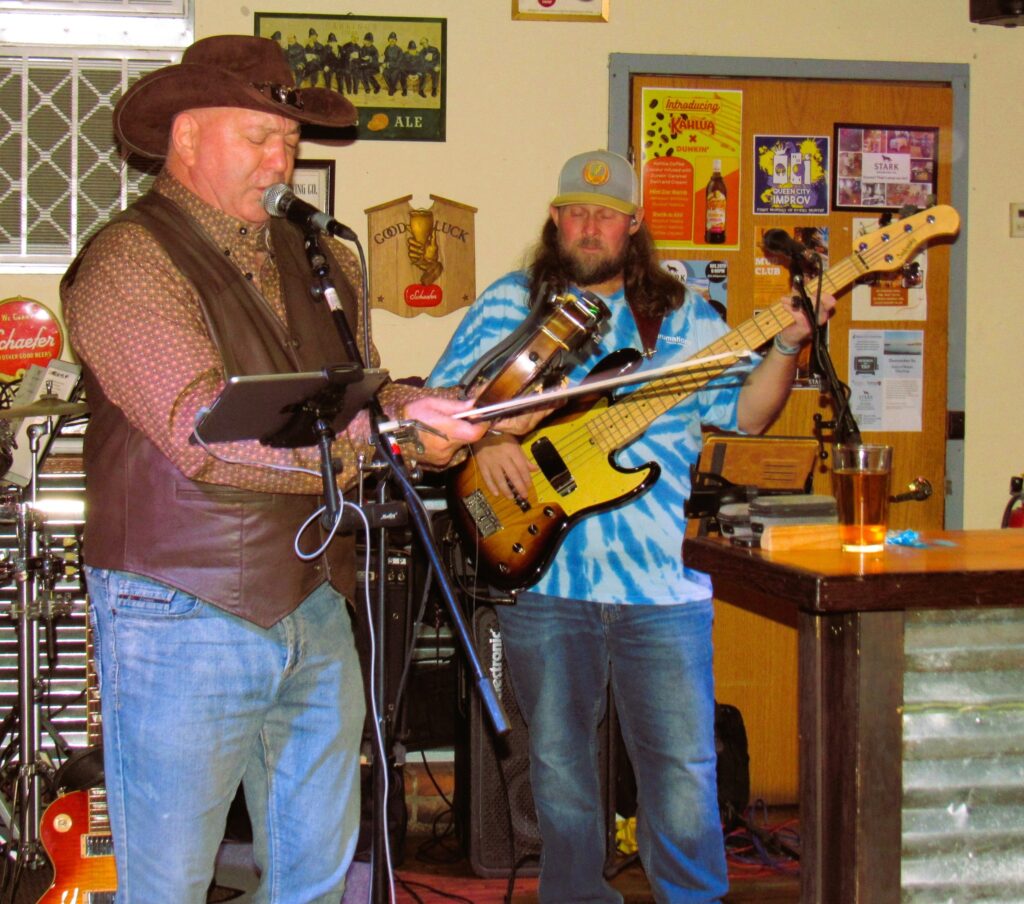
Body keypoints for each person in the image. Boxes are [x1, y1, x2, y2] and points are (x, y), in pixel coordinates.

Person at [59, 34, 514, 902]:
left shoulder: (323, 257)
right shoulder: (127, 259)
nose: (282, 160)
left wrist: (431, 405)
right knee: (167, 885)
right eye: (259, 136)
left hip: (315, 596)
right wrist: (387, 440)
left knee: (315, 878)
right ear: (187, 135)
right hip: (179, 606)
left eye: (291, 140)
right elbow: (203, 429)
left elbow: (355, 392)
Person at [428, 149, 834, 903]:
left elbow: (747, 414)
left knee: (683, 768)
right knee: (558, 767)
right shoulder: (511, 304)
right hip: (545, 574)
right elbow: (438, 409)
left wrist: (787, 343)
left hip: (662, 586)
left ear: (635, 224)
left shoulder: (685, 319)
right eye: (576, 212)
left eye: (607, 214)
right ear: (555, 219)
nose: (590, 226)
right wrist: (485, 442)